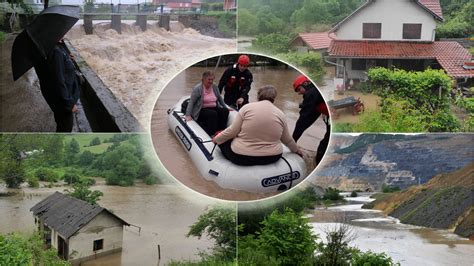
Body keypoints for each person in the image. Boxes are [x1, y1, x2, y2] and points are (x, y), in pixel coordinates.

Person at [213, 86, 303, 166]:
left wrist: (216, 139)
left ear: (258, 96)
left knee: (223, 141)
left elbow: (232, 132)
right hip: (272, 157)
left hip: (241, 157)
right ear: (274, 98)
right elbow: (287, 139)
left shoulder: (246, 108)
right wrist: (297, 150)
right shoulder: (280, 114)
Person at [33, 39, 80, 132]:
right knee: (65, 127)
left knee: (61, 123)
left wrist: (67, 59)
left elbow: (55, 69)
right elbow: (58, 81)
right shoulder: (55, 52)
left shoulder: (47, 48)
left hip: (55, 97)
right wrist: (69, 104)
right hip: (62, 100)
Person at [292, 75, 330, 164]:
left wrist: (293, 140)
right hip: (331, 118)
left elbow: (304, 119)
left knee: (323, 147)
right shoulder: (317, 91)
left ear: (306, 84)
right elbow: (310, 116)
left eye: (299, 89)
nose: (299, 93)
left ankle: (319, 165)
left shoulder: (312, 93)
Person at [185, 71, 229, 136]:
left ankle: (221, 130)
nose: (211, 81)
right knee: (212, 114)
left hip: (214, 107)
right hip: (201, 109)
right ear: (203, 79)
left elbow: (219, 98)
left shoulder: (214, 86)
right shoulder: (198, 89)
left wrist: (225, 107)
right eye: (209, 79)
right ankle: (211, 133)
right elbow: (191, 102)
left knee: (225, 111)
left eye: (212, 79)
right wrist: (188, 115)